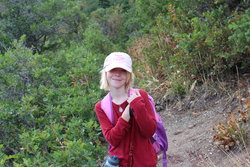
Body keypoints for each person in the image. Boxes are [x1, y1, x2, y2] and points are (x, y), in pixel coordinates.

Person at [94, 52, 157, 167]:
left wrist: (137, 105)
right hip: (119, 163)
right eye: (113, 70)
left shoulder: (140, 96)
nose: (117, 74)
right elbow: (112, 139)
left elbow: (149, 131)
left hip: (145, 162)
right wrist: (126, 114)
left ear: (129, 74)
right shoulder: (101, 106)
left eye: (123, 70)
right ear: (106, 73)